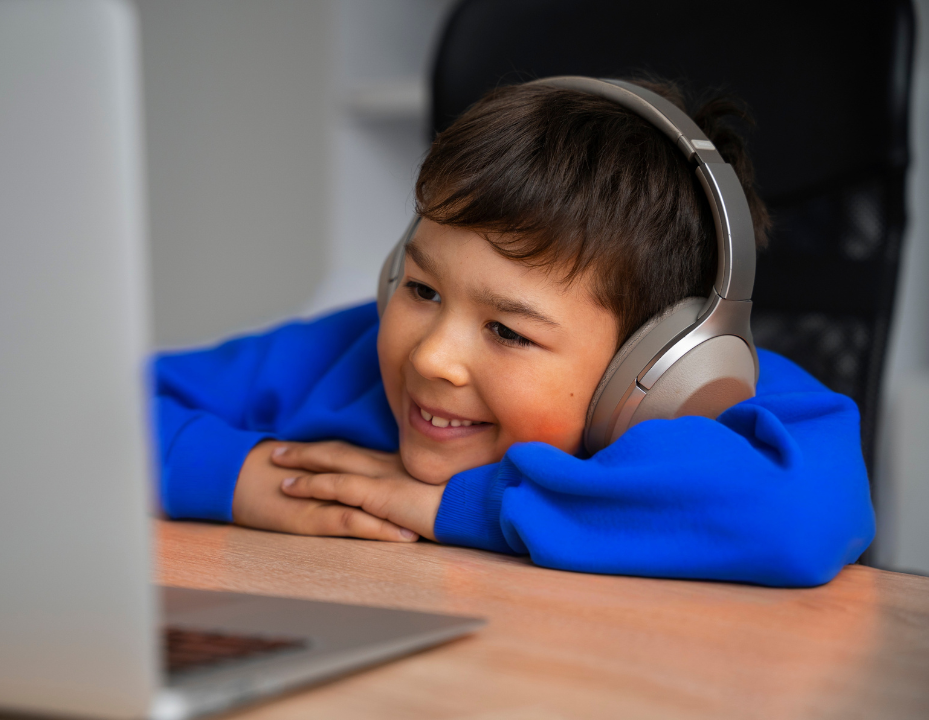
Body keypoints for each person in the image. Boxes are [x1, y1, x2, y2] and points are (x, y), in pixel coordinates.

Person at [153, 79, 874, 587]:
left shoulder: (713, 403)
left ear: (654, 364)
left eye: (506, 331)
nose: (431, 356)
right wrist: (234, 475)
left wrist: (460, 507)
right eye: (422, 288)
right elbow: (84, 408)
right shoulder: (339, 358)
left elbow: (800, 516)